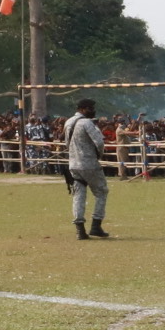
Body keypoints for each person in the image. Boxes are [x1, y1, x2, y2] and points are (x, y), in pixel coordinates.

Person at [63, 99, 111, 239]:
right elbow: (99, 142)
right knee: (101, 192)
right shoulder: (87, 123)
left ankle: (80, 230)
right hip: (89, 164)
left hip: (73, 165)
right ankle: (96, 226)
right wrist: (99, 155)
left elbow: (67, 143)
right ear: (83, 109)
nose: (93, 111)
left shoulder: (68, 122)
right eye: (91, 108)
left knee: (78, 195)